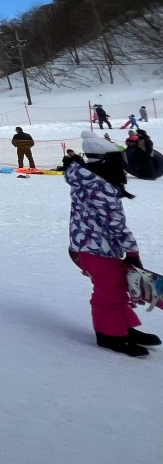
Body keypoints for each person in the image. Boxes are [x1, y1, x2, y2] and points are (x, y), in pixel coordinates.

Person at [66, 152, 159, 356]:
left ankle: (123, 328)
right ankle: (108, 335)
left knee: (115, 287)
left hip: (87, 244)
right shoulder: (102, 187)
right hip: (97, 248)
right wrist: (132, 252)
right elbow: (116, 224)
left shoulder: (85, 179)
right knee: (108, 290)